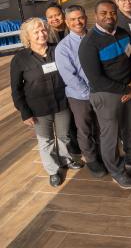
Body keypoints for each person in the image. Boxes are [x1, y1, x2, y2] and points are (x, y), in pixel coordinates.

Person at [79, 0, 131, 189]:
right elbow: (96, 79)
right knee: (110, 137)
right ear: (95, 16)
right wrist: (126, 90)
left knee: (130, 128)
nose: (109, 16)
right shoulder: (89, 44)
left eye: (112, 13)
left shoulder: (123, 34)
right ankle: (117, 172)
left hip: (130, 88)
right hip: (106, 95)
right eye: (103, 13)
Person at [11, 18, 82, 187]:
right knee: (46, 140)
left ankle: (65, 160)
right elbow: (16, 89)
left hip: (62, 103)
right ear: (27, 37)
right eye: (35, 32)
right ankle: (53, 170)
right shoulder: (20, 59)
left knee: (64, 135)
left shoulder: (58, 50)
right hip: (38, 109)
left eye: (43, 30)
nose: (41, 34)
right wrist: (24, 112)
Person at [55, 5, 107, 178]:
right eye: (73, 19)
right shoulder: (63, 48)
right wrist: (88, 93)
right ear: (66, 22)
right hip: (79, 96)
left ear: (86, 17)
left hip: (101, 92)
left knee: (102, 127)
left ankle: (104, 156)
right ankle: (92, 160)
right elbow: (69, 76)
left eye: (80, 18)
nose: (78, 22)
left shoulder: (97, 38)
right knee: (84, 129)